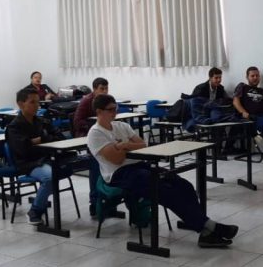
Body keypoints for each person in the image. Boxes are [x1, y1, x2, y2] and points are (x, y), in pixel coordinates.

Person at [87, 94, 238, 248]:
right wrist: (128, 147)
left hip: (140, 166)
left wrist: (123, 145)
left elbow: (143, 145)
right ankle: (209, 227)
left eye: (116, 108)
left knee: (183, 185)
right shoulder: (95, 133)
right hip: (119, 174)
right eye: (110, 109)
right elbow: (117, 160)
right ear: (99, 111)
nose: (115, 112)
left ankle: (202, 227)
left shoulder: (121, 126)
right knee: (165, 191)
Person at [7, 87, 65, 225]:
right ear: (21, 104)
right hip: (29, 163)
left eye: (38, 102)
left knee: (76, 165)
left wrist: (38, 140)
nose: (37, 106)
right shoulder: (14, 127)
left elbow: (60, 137)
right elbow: (23, 149)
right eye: (32, 102)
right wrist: (41, 139)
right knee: (49, 177)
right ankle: (35, 211)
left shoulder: (41, 121)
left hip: (46, 159)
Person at [73, 77, 109, 217]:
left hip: (104, 136)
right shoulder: (86, 101)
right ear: (94, 89)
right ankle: (94, 203)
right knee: (95, 169)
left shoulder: (107, 100)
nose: (104, 91)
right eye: (101, 89)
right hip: (89, 136)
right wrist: (94, 124)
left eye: (106, 88)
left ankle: (107, 201)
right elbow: (77, 121)